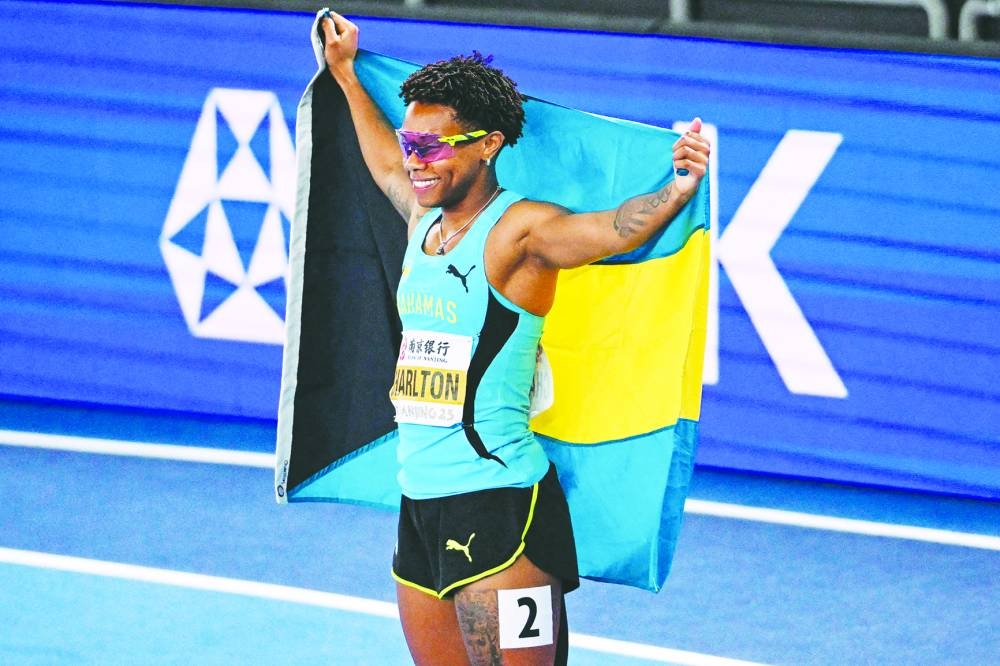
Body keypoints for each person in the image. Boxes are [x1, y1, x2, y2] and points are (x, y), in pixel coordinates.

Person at [317, 10, 711, 665]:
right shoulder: (423, 217)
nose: (415, 160)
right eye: (412, 142)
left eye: (432, 146)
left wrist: (677, 188)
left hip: (499, 511)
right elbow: (383, 160)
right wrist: (347, 76)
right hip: (420, 508)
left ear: (488, 144)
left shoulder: (520, 233)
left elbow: (612, 230)